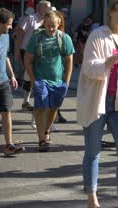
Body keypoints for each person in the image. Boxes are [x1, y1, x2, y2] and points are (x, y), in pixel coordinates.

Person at [77, 0, 118, 208]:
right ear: (110, 12)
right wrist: (116, 57)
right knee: (93, 151)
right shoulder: (97, 35)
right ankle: (92, 199)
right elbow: (89, 69)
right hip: (98, 101)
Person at [24, 11, 75, 152]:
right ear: (44, 24)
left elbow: (69, 59)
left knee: (53, 108)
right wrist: (33, 80)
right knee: (41, 107)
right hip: (40, 79)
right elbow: (27, 59)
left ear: (59, 24)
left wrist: (67, 80)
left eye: (54, 26)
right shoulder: (36, 38)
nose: (51, 29)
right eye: (48, 26)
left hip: (58, 81)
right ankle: (41, 140)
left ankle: (46, 131)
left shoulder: (64, 38)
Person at [0, 8, 24, 156]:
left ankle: (9, 145)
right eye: (9, 24)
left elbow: (5, 56)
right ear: (0, 23)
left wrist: (12, 75)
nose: (11, 27)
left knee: (6, 112)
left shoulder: (5, 37)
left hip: (3, 82)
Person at [15, 0, 52, 112]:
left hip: (40, 52)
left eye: (49, 7)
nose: (48, 9)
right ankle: (27, 101)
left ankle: (27, 101)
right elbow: (20, 34)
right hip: (27, 50)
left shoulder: (47, 19)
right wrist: (17, 51)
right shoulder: (30, 18)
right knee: (30, 75)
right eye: (46, 7)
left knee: (33, 76)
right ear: (39, 8)